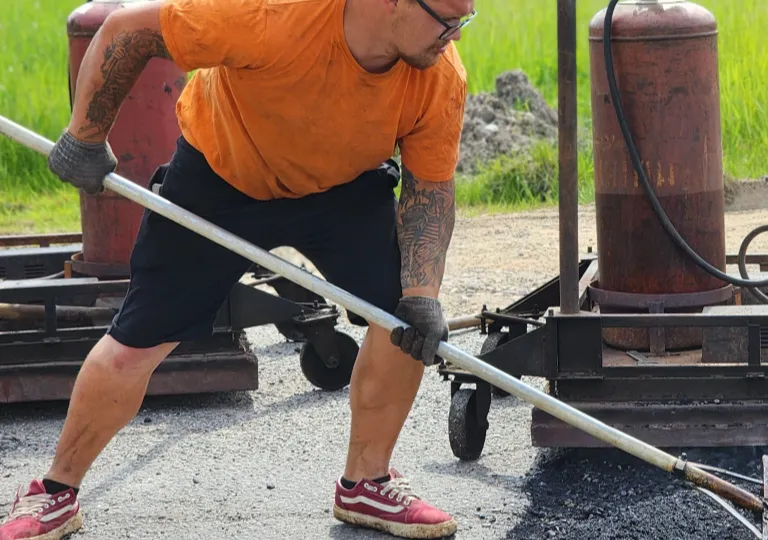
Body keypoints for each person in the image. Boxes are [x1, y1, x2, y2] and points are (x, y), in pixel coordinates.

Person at [0, 0, 475, 538]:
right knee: (136, 339)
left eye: (465, 20)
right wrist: (86, 134)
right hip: (220, 176)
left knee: (402, 321)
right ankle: (55, 494)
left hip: (343, 186)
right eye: (449, 20)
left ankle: (366, 485)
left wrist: (422, 292)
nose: (455, 36)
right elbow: (127, 29)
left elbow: (430, 188)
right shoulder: (270, 12)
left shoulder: (439, 76)